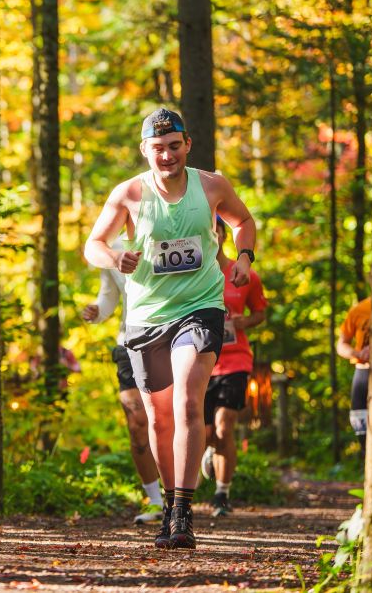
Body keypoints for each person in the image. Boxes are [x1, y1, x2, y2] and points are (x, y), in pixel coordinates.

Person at [84, 108, 256, 550]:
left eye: (174, 146)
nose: (167, 155)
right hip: (145, 318)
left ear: (187, 145)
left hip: (200, 308)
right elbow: (94, 244)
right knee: (160, 419)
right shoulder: (128, 194)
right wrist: (113, 258)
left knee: (186, 399)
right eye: (158, 148)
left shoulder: (212, 185)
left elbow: (244, 221)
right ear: (145, 150)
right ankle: (168, 507)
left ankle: (182, 510)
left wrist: (243, 258)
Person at [81, 240, 165, 525]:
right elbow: (109, 295)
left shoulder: (167, 231)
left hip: (169, 339)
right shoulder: (112, 246)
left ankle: (179, 499)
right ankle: (155, 500)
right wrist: (97, 310)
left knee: (167, 420)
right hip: (128, 341)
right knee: (137, 422)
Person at [199, 217, 268, 518]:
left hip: (236, 360)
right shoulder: (192, 275)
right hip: (200, 361)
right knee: (204, 433)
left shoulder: (244, 275)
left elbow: (260, 313)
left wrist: (243, 322)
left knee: (225, 425)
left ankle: (221, 495)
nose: (212, 235)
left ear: (224, 235)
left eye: (216, 230)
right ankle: (211, 450)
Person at [336, 295, 371, 458]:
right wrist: (357, 353)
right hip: (364, 369)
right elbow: (341, 344)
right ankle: (367, 456)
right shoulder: (359, 310)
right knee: (359, 419)